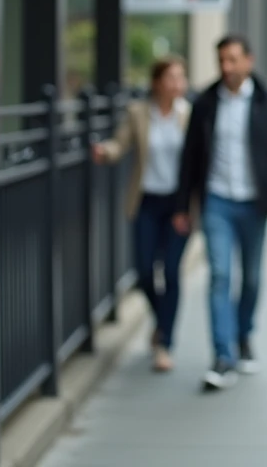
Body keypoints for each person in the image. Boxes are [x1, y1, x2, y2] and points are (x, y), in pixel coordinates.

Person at [175, 34, 267, 391]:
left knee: (253, 278)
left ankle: (244, 335)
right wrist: (184, 206)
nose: (226, 68)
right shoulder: (206, 102)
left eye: (232, 60)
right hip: (217, 202)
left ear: (248, 61)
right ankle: (222, 356)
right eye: (221, 61)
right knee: (220, 277)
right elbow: (190, 157)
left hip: (254, 203)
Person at [93, 56, 191, 373]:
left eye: (181, 77)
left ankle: (164, 343)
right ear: (157, 82)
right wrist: (104, 151)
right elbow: (120, 145)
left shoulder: (188, 115)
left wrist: (187, 206)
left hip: (178, 206)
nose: (178, 83)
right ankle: (162, 321)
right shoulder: (138, 113)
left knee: (172, 272)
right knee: (144, 270)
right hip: (146, 202)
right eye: (171, 77)